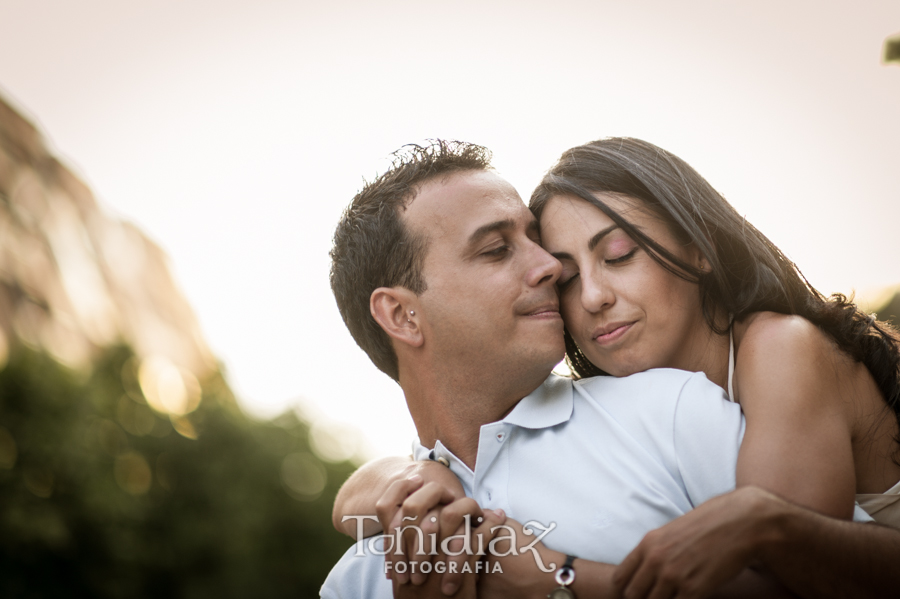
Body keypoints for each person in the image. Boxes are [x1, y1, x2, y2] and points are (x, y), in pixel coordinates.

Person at [332, 138, 900, 598]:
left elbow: (791, 577)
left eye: (620, 254)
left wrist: (554, 578)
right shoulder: (376, 555)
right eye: (571, 273)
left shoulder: (775, 351)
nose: (582, 290)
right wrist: (400, 480)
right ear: (402, 316)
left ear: (702, 246)